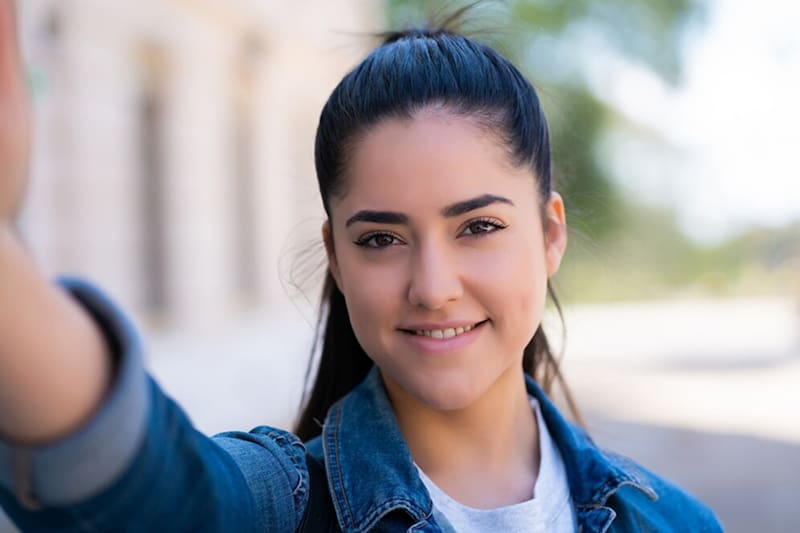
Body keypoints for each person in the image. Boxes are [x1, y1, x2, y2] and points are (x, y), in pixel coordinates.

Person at [0, 1, 723, 531]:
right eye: (381, 238)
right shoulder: (275, 508)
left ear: (549, 233)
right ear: (337, 260)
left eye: (478, 226)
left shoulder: (678, 522)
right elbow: (143, 486)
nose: (434, 287)